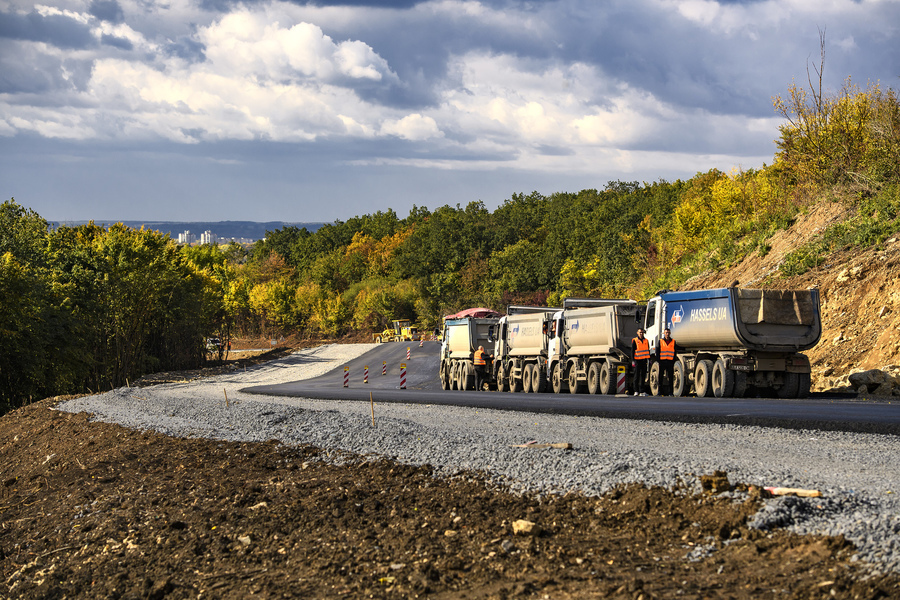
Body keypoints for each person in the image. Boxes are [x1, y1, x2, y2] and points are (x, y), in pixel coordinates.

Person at [656, 328, 677, 396]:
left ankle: (671, 392)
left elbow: (675, 352)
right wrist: (659, 360)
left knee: (670, 377)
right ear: (664, 333)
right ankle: (659, 391)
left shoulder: (673, 341)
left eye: (668, 332)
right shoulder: (661, 341)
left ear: (670, 333)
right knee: (660, 377)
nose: (667, 334)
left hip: (670, 362)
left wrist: (673, 361)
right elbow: (658, 351)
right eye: (666, 332)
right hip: (662, 361)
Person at [631, 328, 650, 396]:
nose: (641, 333)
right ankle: (636, 391)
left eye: (642, 332)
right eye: (640, 332)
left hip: (644, 361)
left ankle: (642, 391)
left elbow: (647, 350)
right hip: (637, 361)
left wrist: (648, 359)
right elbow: (632, 351)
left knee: (643, 376)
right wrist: (633, 360)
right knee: (636, 376)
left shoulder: (646, 340)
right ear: (637, 333)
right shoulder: (635, 340)